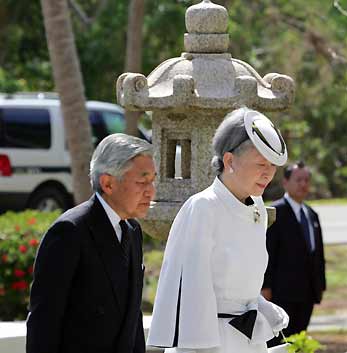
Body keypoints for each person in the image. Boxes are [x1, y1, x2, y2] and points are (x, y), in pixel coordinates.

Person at [147, 107, 289, 353]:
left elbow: (241, 282)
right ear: (229, 161)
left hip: (249, 340)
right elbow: (192, 291)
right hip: (210, 342)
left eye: (272, 165)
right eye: (260, 164)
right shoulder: (203, 208)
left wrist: (261, 306)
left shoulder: (257, 207)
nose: (269, 173)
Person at [26, 133, 156, 353]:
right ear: (107, 183)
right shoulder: (69, 231)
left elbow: (132, 320)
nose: (151, 191)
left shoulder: (132, 231)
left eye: (153, 180)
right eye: (142, 181)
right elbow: (44, 321)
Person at [262, 161, 326, 346]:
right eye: (298, 180)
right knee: (281, 343)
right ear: (285, 182)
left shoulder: (312, 215)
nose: (303, 184)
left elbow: (318, 254)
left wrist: (320, 285)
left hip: (307, 293)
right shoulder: (275, 213)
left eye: (306, 180)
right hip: (282, 294)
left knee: (299, 341)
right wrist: (266, 288)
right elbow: (268, 254)